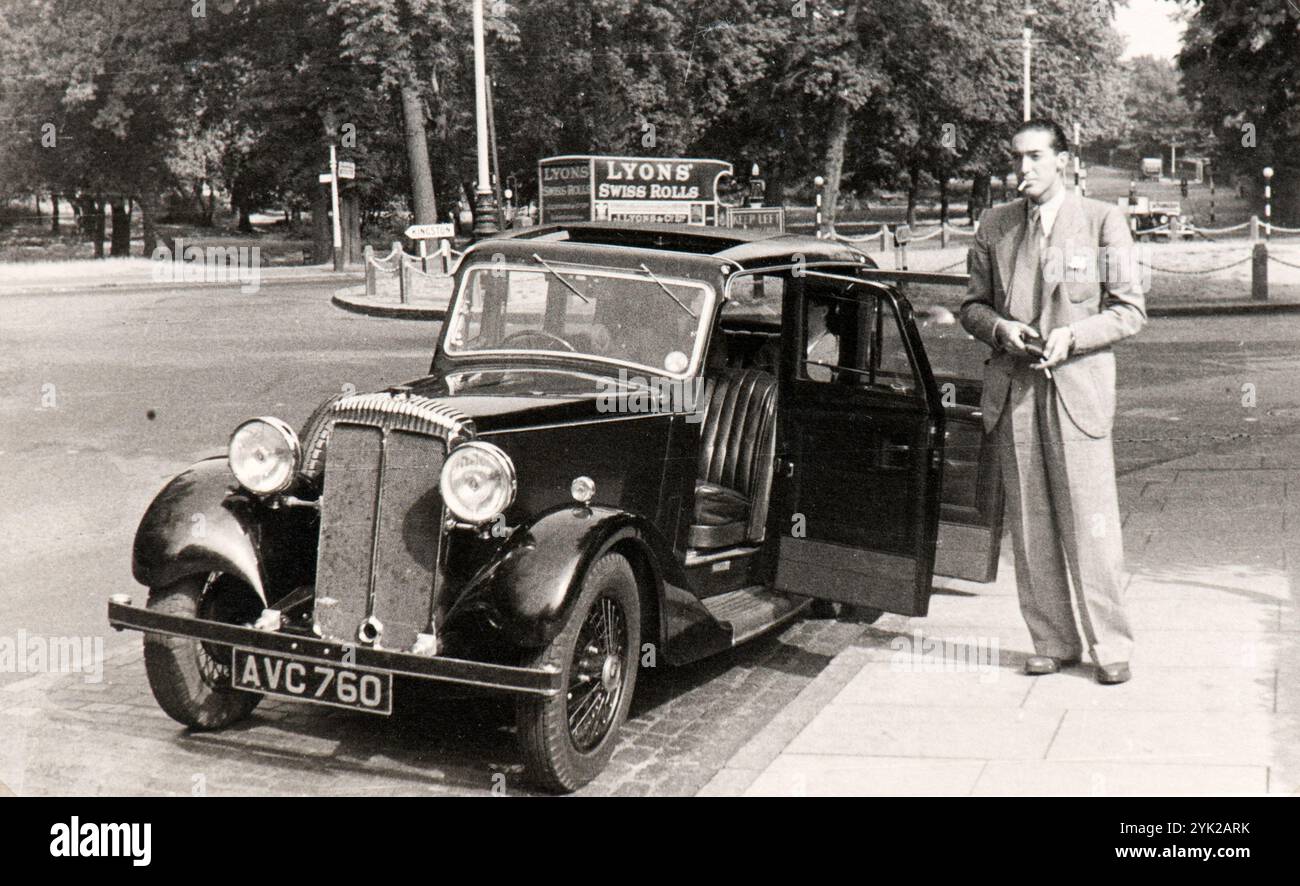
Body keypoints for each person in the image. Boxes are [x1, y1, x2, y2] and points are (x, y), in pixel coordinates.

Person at [961, 118, 1146, 686]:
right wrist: (999, 330)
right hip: (1015, 388)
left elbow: (1129, 310)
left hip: (1078, 394)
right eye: (1017, 158)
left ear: (1063, 160)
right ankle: (1052, 641)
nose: (1024, 169)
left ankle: (1110, 646)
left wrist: (1074, 336)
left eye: (1037, 157)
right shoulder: (995, 226)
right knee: (1030, 523)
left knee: (1090, 525)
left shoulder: (1101, 221)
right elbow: (972, 306)